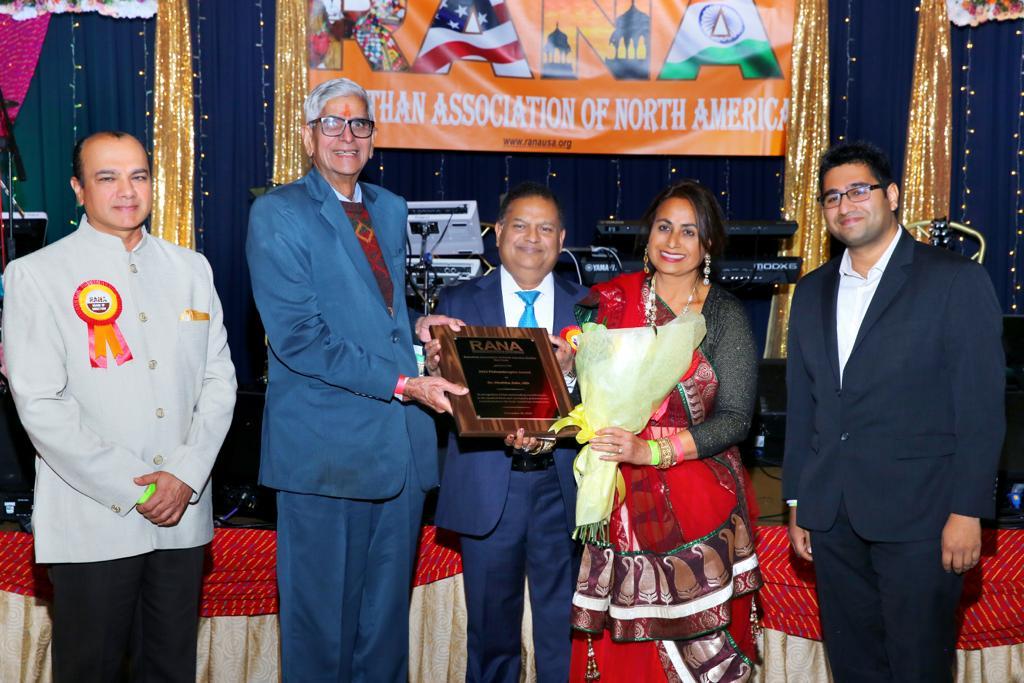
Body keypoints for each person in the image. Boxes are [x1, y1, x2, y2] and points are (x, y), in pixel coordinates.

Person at [245, 77, 465, 682]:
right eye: (333, 123)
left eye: (360, 124)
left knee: (383, 632)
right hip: (324, 455)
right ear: (308, 134)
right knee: (321, 635)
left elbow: (374, 314)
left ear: (374, 137)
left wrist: (420, 327)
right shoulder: (278, 213)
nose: (347, 135)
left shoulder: (388, 209)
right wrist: (403, 382)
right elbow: (300, 339)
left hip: (398, 454)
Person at [2, 131, 237, 681]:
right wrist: (143, 483)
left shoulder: (192, 269)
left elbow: (219, 381)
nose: (126, 190)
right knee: (92, 670)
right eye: (107, 177)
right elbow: (40, 404)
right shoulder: (37, 276)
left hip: (183, 517)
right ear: (78, 190)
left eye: (139, 175)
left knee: (170, 669)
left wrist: (183, 475)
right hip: (92, 520)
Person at [783, 141, 1006, 682]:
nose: (845, 205)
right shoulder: (811, 293)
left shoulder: (953, 280)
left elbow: (981, 406)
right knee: (854, 665)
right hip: (832, 517)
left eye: (858, 190)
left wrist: (968, 510)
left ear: (893, 195)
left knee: (918, 665)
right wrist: (798, 500)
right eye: (832, 196)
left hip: (924, 519)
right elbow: (804, 405)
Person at [568, 180, 762, 682]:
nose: (673, 241)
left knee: (698, 650)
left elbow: (737, 418)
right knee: (623, 653)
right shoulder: (607, 304)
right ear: (647, 234)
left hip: (702, 499)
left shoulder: (723, 315)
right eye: (663, 227)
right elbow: (580, 397)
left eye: (689, 232)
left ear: (708, 245)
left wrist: (652, 451)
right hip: (618, 498)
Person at [425, 181, 588, 683]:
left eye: (545, 228)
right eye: (519, 225)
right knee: (491, 636)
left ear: (561, 240)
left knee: (564, 633)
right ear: (497, 235)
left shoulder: (590, 309)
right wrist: (432, 367)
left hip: (562, 488)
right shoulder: (455, 304)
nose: (531, 238)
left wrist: (576, 376)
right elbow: (438, 397)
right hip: (489, 484)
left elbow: (613, 404)